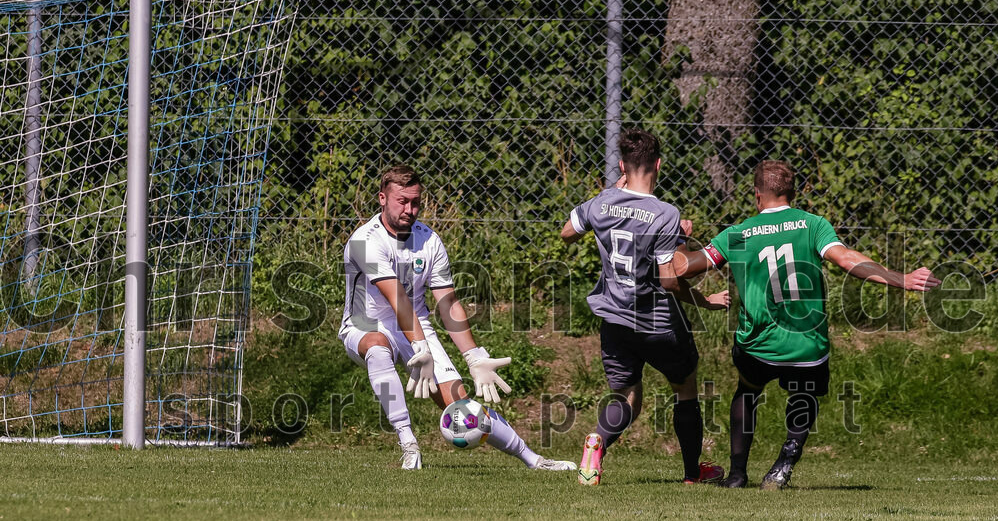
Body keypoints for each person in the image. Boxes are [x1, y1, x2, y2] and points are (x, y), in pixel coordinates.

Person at [674, 160, 941, 489]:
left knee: (747, 391)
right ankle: (785, 463)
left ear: (757, 196)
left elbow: (683, 268)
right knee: (806, 392)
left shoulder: (740, 235)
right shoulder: (812, 225)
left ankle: (738, 474)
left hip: (758, 344)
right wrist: (901, 279)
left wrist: (679, 239)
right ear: (792, 193)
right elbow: (847, 259)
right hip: (806, 344)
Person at [340, 164, 576, 471]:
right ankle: (408, 443)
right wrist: (420, 347)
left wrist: (473, 357)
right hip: (365, 325)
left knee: (463, 405)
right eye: (402, 201)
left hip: (415, 327)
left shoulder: (429, 240)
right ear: (382, 198)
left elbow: (448, 303)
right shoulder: (365, 241)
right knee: (377, 347)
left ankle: (535, 460)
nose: (410, 209)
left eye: (416, 202)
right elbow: (397, 300)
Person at [560, 128, 730, 486]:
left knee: (628, 397)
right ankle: (691, 473)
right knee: (684, 385)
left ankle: (597, 443)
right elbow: (669, 281)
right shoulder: (665, 213)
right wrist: (705, 300)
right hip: (656, 321)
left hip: (614, 320)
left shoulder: (600, 202)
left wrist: (610, 195)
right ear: (658, 164)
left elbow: (567, 233)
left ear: (622, 165)